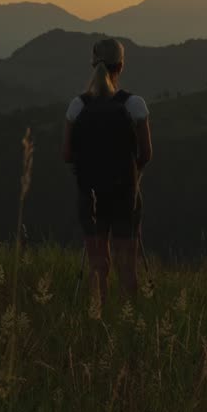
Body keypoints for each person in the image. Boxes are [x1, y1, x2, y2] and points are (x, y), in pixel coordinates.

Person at [62, 38, 153, 305]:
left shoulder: (77, 106)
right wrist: (132, 173)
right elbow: (146, 153)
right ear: (121, 66)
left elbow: (66, 154)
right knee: (127, 266)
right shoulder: (134, 105)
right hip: (125, 194)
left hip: (90, 194)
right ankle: (127, 317)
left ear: (93, 65)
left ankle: (97, 316)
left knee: (97, 265)